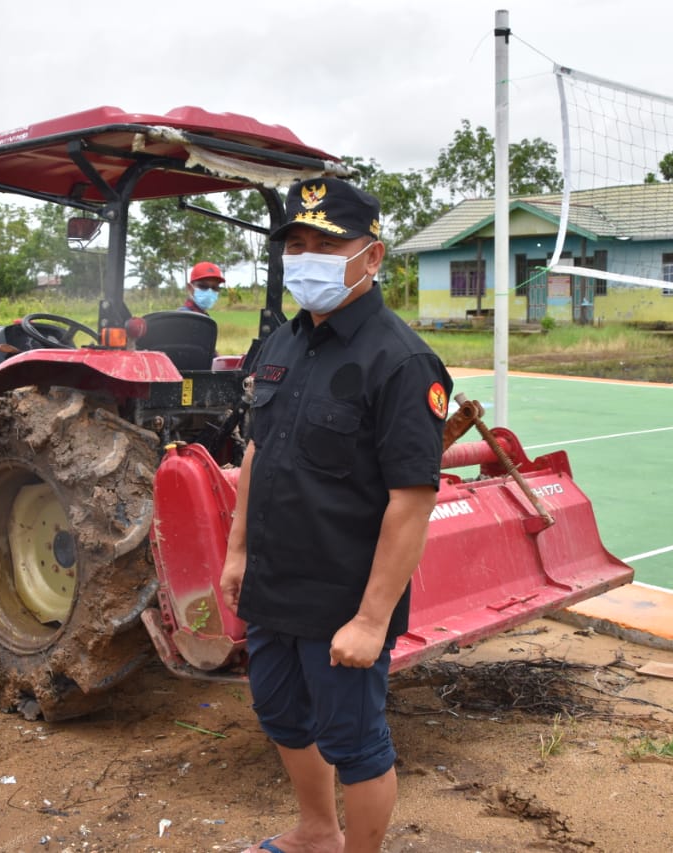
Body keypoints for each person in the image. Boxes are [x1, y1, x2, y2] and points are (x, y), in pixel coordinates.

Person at [220, 178, 452, 853]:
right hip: (274, 580)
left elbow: (413, 500)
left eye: (327, 242)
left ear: (372, 256)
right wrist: (237, 552)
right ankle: (316, 831)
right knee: (282, 714)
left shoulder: (402, 360)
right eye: (296, 243)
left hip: (343, 597)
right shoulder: (283, 344)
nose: (307, 256)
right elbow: (257, 454)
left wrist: (373, 618)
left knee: (354, 740)